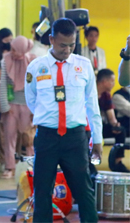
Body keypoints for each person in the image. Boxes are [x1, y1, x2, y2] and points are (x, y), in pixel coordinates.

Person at [25, 18, 102, 223]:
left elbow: (92, 105)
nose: (67, 50)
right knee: (41, 192)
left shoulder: (83, 66)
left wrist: (98, 139)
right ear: (51, 39)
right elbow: (32, 101)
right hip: (47, 137)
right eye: (62, 45)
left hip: (75, 138)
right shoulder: (36, 67)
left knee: (84, 191)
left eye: (72, 45)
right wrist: (48, 118)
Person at [0, 36, 36, 179]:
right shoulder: (6, 60)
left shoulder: (33, 60)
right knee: (9, 137)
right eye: (11, 48)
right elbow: (2, 84)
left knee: (29, 137)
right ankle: (10, 167)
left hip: (28, 105)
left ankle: (31, 165)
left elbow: (36, 86)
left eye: (15, 49)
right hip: (11, 105)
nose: (12, 52)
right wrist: (5, 106)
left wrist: (35, 108)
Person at [97, 69, 126, 143]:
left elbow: (111, 117)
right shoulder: (89, 93)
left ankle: (118, 154)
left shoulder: (106, 95)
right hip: (89, 126)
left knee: (120, 130)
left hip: (102, 126)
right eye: (112, 81)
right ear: (104, 82)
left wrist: (115, 124)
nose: (114, 84)